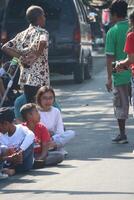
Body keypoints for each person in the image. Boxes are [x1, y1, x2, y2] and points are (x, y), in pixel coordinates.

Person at [2, 5, 50, 104]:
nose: (45, 18)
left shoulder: (21, 34)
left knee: (29, 106)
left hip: (25, 78)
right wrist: (36, 55)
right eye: (44, 16)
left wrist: (21, 57)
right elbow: (43, 41)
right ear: (39, 17)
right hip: (39, 79)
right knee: (40, 106)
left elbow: (5, 47)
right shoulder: (42, 32)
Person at [105, 0, 131, 144]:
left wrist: (109, 78)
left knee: (120, 105)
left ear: (115, 14)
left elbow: (110, 57)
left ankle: (122, 134)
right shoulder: (131, 28)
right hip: (131, 72)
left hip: (120, 75)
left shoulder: (112, 31)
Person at [20, 103, 64, 167]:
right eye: (36, 112)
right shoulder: (21, 129)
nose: (39, 114)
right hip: (27, 155)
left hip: (39, 154)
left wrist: (41, 157)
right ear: (29, 115)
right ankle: (33, 163)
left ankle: (34, 164)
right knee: (22, 159)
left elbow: (45, 145)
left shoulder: (42, 127)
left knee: (59, 156)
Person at [36, 86, 75, 156]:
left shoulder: (56, 111)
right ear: (39, 99)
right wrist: (46, 134)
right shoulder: (35, 112)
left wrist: (52, 138)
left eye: (50, 98)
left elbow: (60, 130)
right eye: (44, 98)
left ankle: (53, 147)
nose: (48, 101)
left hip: (54, 139)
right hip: (40, 140)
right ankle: (49, 148)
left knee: (71, 133)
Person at [0, 107, 35, 175]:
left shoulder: (21, 128)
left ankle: (14, 170)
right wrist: (8, 158)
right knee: (3, 148)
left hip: (23, 162)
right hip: (7, 162)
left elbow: (31, 135)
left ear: (6, 123)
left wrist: (20, 150)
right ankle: (7, 169)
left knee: (30, 142)